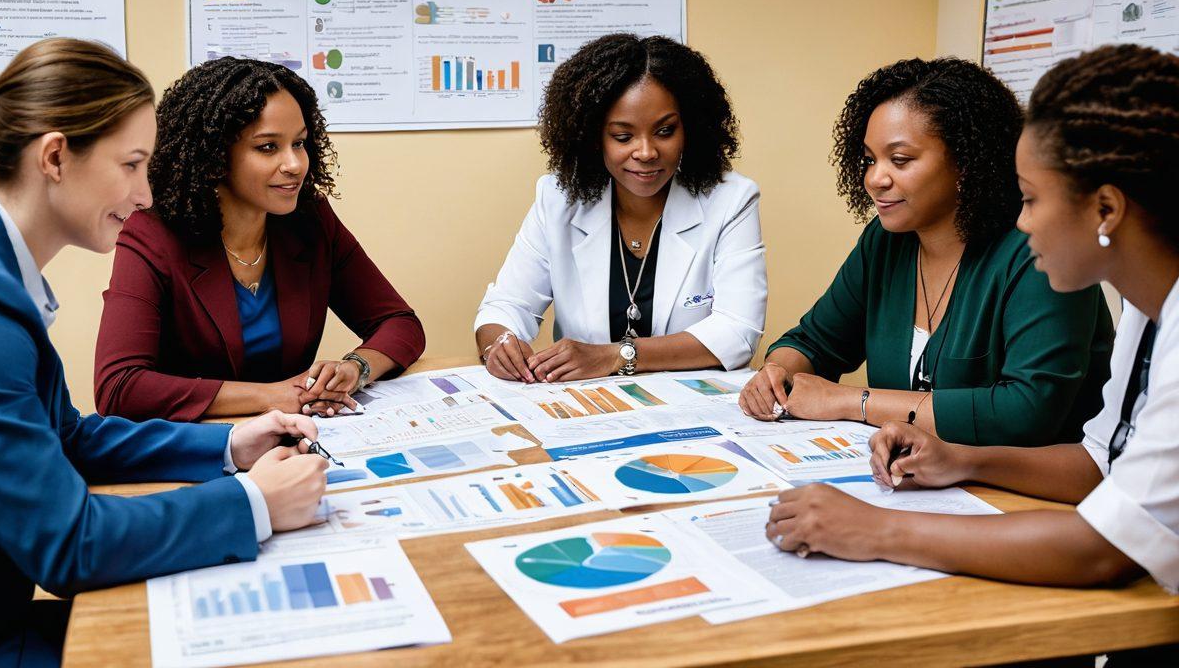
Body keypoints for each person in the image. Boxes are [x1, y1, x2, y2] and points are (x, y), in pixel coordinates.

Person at [766, 45, 1179, 664]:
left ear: (1106, 210)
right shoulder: (1149, 316)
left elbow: (1102, 548)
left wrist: (876, 529)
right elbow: (1100, 465)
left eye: (1032, 199)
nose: (1025, 221)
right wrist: (962, 459)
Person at [0, 38, 327, 666]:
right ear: (55, 157)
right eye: (132, 165)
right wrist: (254, 504)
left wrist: (229, 444)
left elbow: (68, 438)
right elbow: (71, 546)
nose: (147, 195)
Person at [739, 57, 1113, 445]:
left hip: (1032, 490)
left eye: (899, 160)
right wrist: (776, 373)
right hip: (928, 478)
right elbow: (814, 341)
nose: (875, 178)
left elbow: (1026, 411)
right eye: (869, 159)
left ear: (966, 161)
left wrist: (854, 401)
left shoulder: (1038, 249)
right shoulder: (885, 241)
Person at [93, 57, 424, 422]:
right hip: (202, 447)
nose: (295, 164)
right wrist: (272, 396)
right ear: (214, 155)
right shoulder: (152, 235)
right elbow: (119, 387)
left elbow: (399, 323)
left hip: (297, 439)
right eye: (268, 147)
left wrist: (356, 368)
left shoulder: (309, 220)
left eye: (299, 143)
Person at [474, 34, 766, 382]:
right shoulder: (558, 199)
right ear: (592, 137)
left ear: (691, 129)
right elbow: (506, 306)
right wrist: (500, 344)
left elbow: (738, 332)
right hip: (587, 408)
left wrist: (615, 356)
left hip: (693, 409)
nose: (645, 152)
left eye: (665, 131)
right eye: (623, 136)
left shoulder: (731, 200)